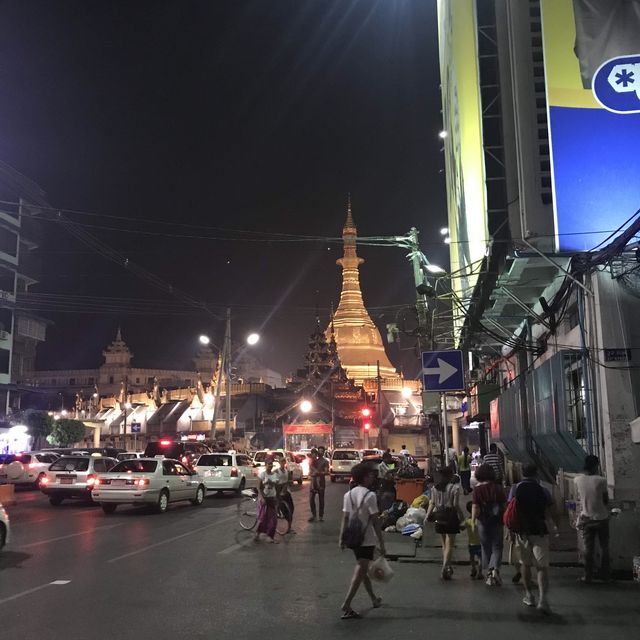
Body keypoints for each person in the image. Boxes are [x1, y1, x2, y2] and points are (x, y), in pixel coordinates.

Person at [339, 463, 386, 619]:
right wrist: (382, 542)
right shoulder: (370, 496)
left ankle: (374, 599)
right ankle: (347, 603)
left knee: (363, 570)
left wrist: (342, 538)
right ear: (365, 477)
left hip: (353, 538)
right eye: (370, 475)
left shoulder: (348, 495)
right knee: (360, 570)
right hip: (366, 539)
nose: (372, 477)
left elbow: (345, 518)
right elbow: (375, 522)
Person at [510, 464, 558, 613]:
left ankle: (529, 596)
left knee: (525, 564)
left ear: (522, 473)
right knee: (541, 567)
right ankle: (543, 599)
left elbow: (510, 510)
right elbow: (552, 509)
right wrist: (555, 528)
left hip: (521, 531)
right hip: (540, 531)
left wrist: (510, 530)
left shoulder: (515, 489)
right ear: (536, 473)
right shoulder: (543, 489)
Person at [574, 454, 610, 583]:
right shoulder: (602, 480)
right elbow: (605, 500)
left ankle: (587, 576)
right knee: (604, 547)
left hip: (587, 518)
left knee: (588, 549)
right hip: (602, 517)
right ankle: (606, 576)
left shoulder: (578, 480)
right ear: (596, 466)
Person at [425, 465, 463, 580]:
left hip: (439, 516)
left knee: (443, 544)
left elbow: (431, 503)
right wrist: (462, 518)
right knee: (450, 544)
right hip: (451, 517)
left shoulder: (434, 488)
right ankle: (444, 566)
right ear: (450, 475)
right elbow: (456, 505)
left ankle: (448, 566)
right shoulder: (454, 488)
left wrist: (427, 516)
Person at [472, 463, 506, 586]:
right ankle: (495, 569)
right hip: (497, 521)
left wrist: (472, 520)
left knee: (485, 547)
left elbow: (475, 506)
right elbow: (504, 505)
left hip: (483, 521)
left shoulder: (477, 489)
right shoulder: (498, 488)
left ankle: (489, 573)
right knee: (497, 546)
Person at [255, 455, 280, 543]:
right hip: (264, 498)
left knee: (274, 519)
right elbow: (259, 487)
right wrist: (262, 497)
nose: (270, 465)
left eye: (271, 464)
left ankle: (270, 536)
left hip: (272, 497)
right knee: (263, 518)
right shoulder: (262, 475)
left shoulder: (275, 475)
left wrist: (271, 482)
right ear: (265, 465)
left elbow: (277, 484)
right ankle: (258, 533)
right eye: (269, 464)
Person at [461, 502, 482, 579]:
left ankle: (473, 569)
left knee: (472, 558)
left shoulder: (468, 520)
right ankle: (480, 572)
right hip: (480, 543)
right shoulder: (480, 521)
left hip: (471, 544)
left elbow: (462, 527)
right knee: (480, 558)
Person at [275, 452, 295, 534]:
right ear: (279, 463)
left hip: (286, 491)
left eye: (284, 462)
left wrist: (290, 481)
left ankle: (289, 527)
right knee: (283, 509)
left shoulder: (287, 471)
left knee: (291, 508)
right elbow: (275, 482)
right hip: (279, 492)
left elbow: (291, 481)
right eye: (281, 462)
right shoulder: (276, 471)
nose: (283, 463)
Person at [309, 446, 329, 522]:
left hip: (321, 482)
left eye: (322, 451)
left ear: (324, 452)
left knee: (321, 500)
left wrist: (319, 473)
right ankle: (313, 515)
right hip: (313, 482)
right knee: (311, 499)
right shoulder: (314, 460)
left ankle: (321, 516)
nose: (320, 452)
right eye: (319, 451)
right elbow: (311, 470)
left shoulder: (325, 461)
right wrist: (312, 473)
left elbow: (327, 471)